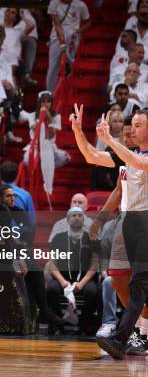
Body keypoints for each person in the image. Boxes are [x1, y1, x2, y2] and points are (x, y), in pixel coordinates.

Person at [90, 109, 148, 359]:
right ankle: (130, 334)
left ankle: (128, 335)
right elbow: (92, 156)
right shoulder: (130, 158)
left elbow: (140, 164)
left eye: (136, 126)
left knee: (139, 283)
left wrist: (109, 139)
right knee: (127, 281)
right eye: (130, 126)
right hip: (130, 222)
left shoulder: (137, 159)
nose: (130, 131)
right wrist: (78, 132)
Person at [46, 207, 99, 335]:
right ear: (68, 219)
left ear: (84, 219)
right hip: (63, 278)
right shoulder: (58, 238)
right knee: (51, 289)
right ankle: (58, 324)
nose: (76, 218)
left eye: (79, 215)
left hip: (85, 279)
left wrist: (82, 283)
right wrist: (63, 282)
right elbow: (52, 264)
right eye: (73, 215)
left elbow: (94, 265)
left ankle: (85, 324)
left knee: (92, 291)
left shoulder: (91, 238)